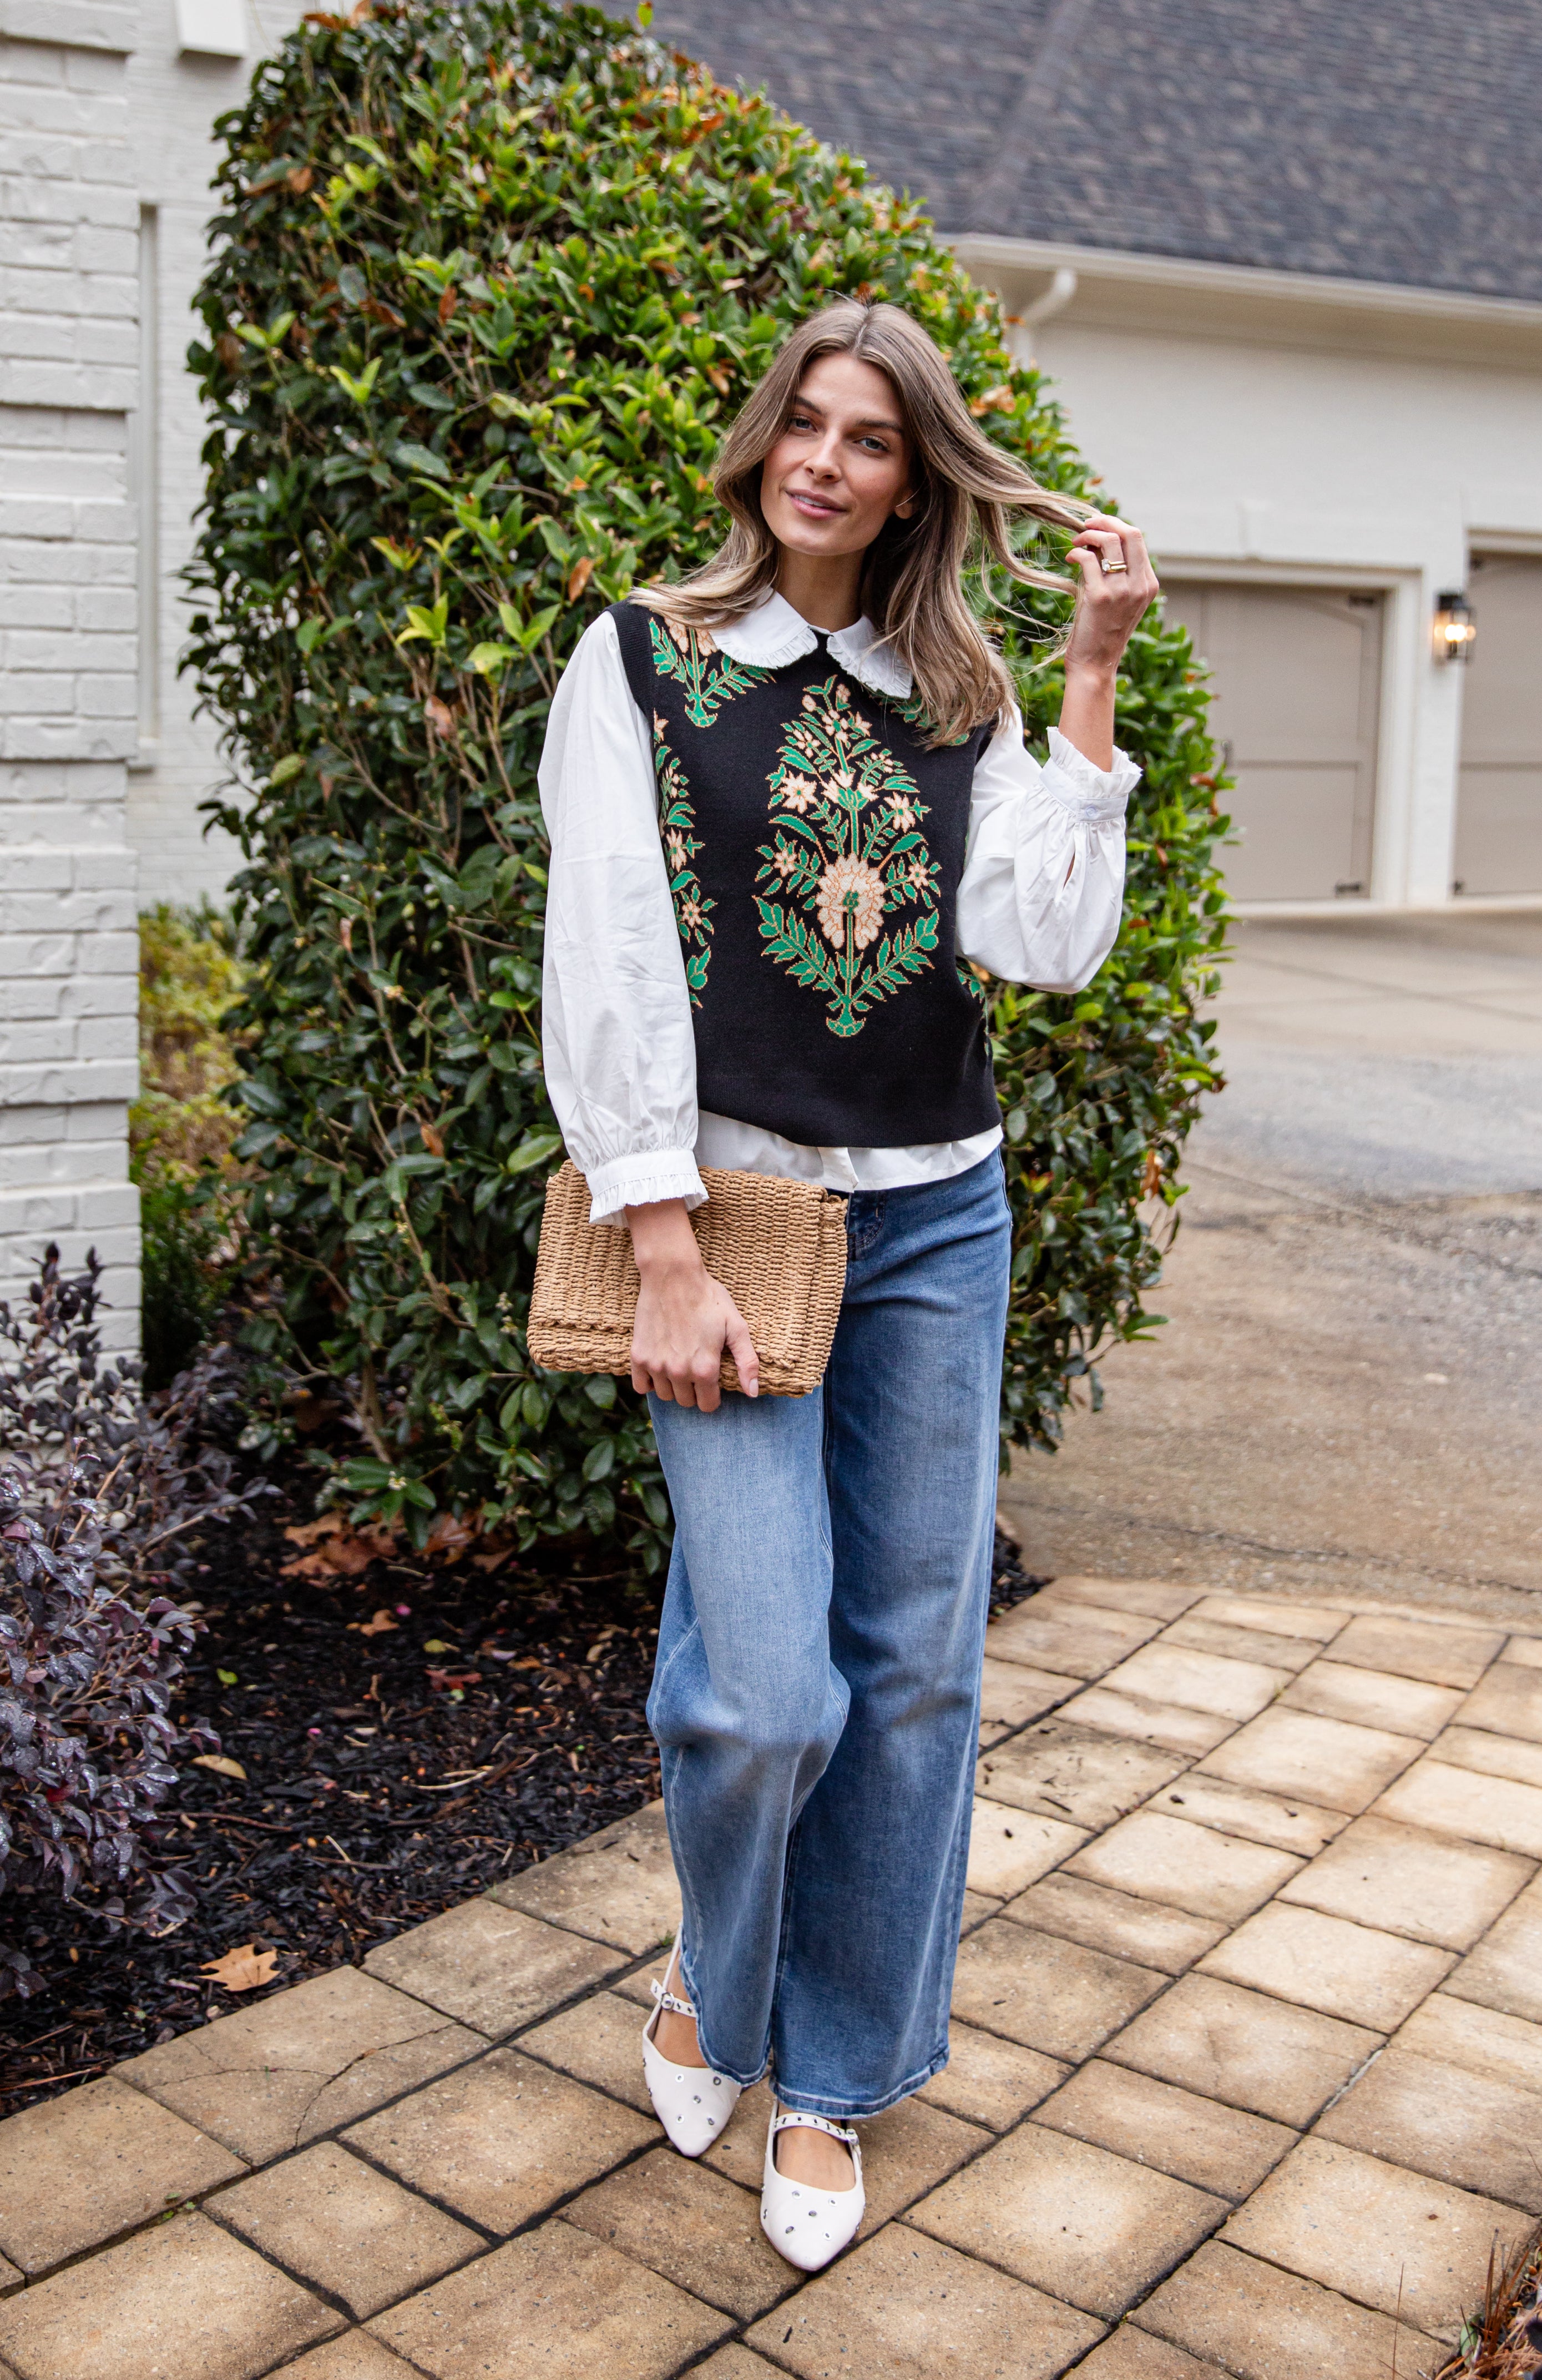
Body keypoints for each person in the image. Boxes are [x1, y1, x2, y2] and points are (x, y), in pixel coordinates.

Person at [538, 296, 1156, 2272]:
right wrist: (659, 1237)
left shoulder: (953, 691)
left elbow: (1036, 950)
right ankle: (716, 1982)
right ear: (759, 441)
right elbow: (611, 958)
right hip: (721, 1215)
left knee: (914, 1672)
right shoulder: (643, 660)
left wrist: (1088, 674)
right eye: (802, 422)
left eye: (869, 438)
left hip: (937, 1219)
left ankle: (835, 2072)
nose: (825, 460)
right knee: (765, 1694)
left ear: (916, 477)